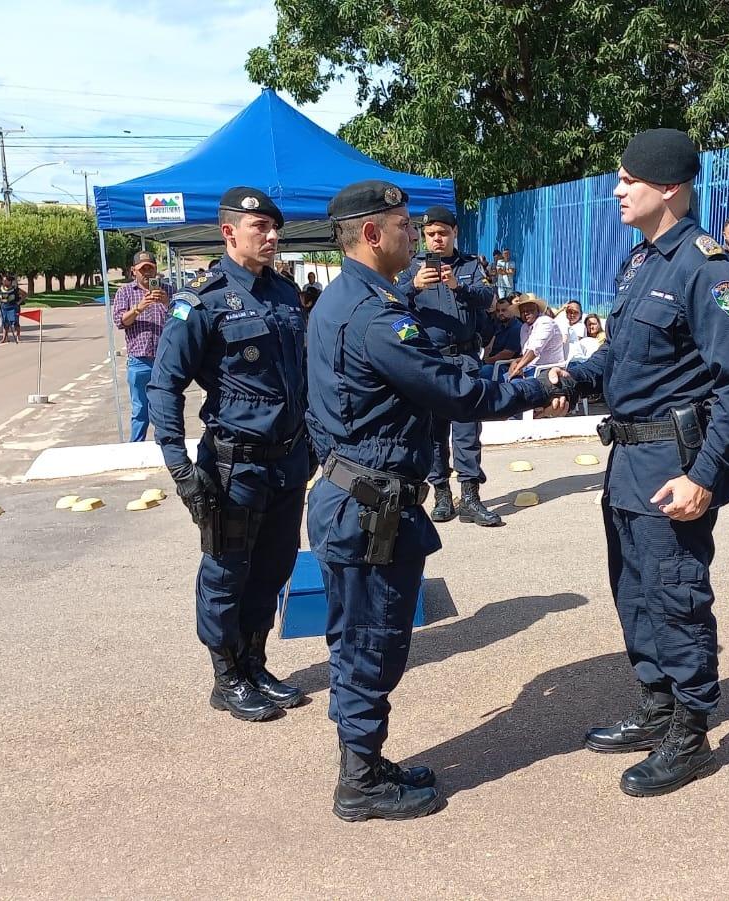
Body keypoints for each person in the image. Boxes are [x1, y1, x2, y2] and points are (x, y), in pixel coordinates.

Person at [306, 179, 557, 822]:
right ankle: (359, 783)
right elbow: (453, 390)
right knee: (371, 643)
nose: (413, 235)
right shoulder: (376, 315)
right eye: (402, 225)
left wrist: (504, 375)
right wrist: (540, 388)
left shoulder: (345, 302)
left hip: (355, 495)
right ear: (371, 234)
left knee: (363, 638)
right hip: (369, 507)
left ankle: (366, 761)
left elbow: (443, 372)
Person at [546, 128, 729, 797]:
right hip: (628, 461)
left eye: (627, 180)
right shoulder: (642, 263)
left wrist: (705, 475)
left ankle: (691, 733)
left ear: (667, 186)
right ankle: (657, 703)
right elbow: (621, 357)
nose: (617, 190)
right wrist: (570, 380)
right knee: (635, 593)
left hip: (673, 464)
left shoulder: (707, 269)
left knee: (676, 598)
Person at [147, 187, 311, 728]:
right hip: (234, 464)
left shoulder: (286, 296)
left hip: (287, 460)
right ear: (229, 232)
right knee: (226, 572)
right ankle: (227, 677)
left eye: (273, 228)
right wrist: (179, 468)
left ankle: (256, 662)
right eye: (259, 227)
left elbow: (303, 379)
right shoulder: (203, 301)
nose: (270, 236)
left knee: (273, 569)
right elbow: (164, 386)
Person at [395, 204, 502, 527]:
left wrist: (459, 286)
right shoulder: (409, 269)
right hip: (430, 360)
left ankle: (470, 497)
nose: (436, 240)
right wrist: (412, 287)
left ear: (455, 233)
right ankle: (441, 494)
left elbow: (491, 299)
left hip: (465, 359)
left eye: (443, 233)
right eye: (430, 234)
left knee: (468, 430)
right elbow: (388, 302)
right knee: (433, 433)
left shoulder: (470, 265)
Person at [112, 251, 170, 442]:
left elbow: (184, 318)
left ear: (156, 270)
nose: (146, 273)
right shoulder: (125, 292)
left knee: (166, 409)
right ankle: (136, 446)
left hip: (165, 360)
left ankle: (167, 447)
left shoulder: (169, 290)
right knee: (140, 410)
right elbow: (120, 321)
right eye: (142, 269)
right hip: (139, 360)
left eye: (150, 268)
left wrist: (168, 303)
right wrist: (139, 307)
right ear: (133, 271)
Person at [508, 294, 568, 377]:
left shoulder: (545, 322)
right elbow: (525, 354)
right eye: (523, 311)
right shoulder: (524, 327)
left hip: (546, 370)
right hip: (529, 368)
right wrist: (515, 362)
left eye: (530, 310)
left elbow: (534, 350)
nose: (526, 313)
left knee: (514, 384)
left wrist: (517, 368)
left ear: (537, 310)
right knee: (489, 370)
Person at [482, 296, 523, 375]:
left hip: (507, 365)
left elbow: (507, 354)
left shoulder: (516, 328)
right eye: (498, 311)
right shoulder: (500, 325)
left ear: (512, 310)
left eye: (504, 310)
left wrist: (486, 361)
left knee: (484, 370)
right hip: (494, 362)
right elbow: (490, 347)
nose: (500, 313)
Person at [0, 274, 24, 344]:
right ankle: (4, 338)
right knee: (5, 323)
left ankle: (18, 337)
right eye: (3, 281)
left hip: (13, 307)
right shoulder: (1, 288)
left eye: (5, 281)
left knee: (16, 323)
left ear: (9, 281)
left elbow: (24, 294)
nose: (3, 282)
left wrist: (18, 302)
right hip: (4, 307)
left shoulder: (15, 289)